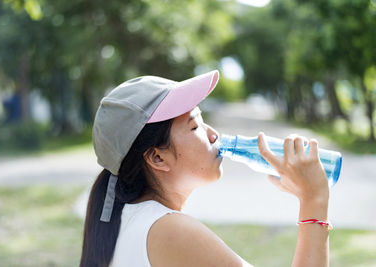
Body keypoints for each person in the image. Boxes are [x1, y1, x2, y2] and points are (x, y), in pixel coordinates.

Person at [80, 70, 330, 267]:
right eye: (195, 126)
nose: (213, 134)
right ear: (157, 157)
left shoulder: (126, 219)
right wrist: (313, 199)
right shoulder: (169, 230)